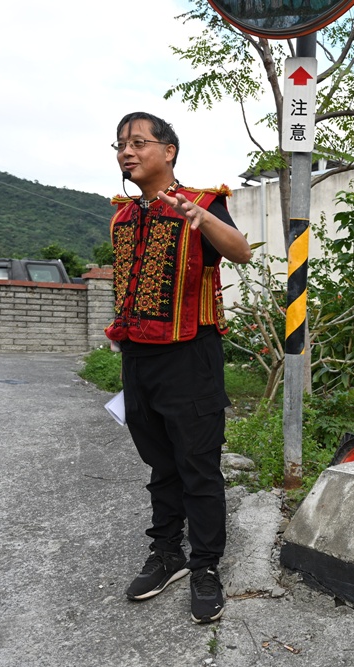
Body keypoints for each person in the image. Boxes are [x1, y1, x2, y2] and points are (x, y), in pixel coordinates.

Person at [105, 111, 251, 624]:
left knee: (198, 466)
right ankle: (166, 552)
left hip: (191, 355)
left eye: (139, 142)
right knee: (160, 463)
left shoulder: (206, 203)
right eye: (121, 144)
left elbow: (242, 253)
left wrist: (201, 217)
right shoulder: (122, 215)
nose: (127, 151)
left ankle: (205, 565)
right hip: (138, 358)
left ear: (168, 151)